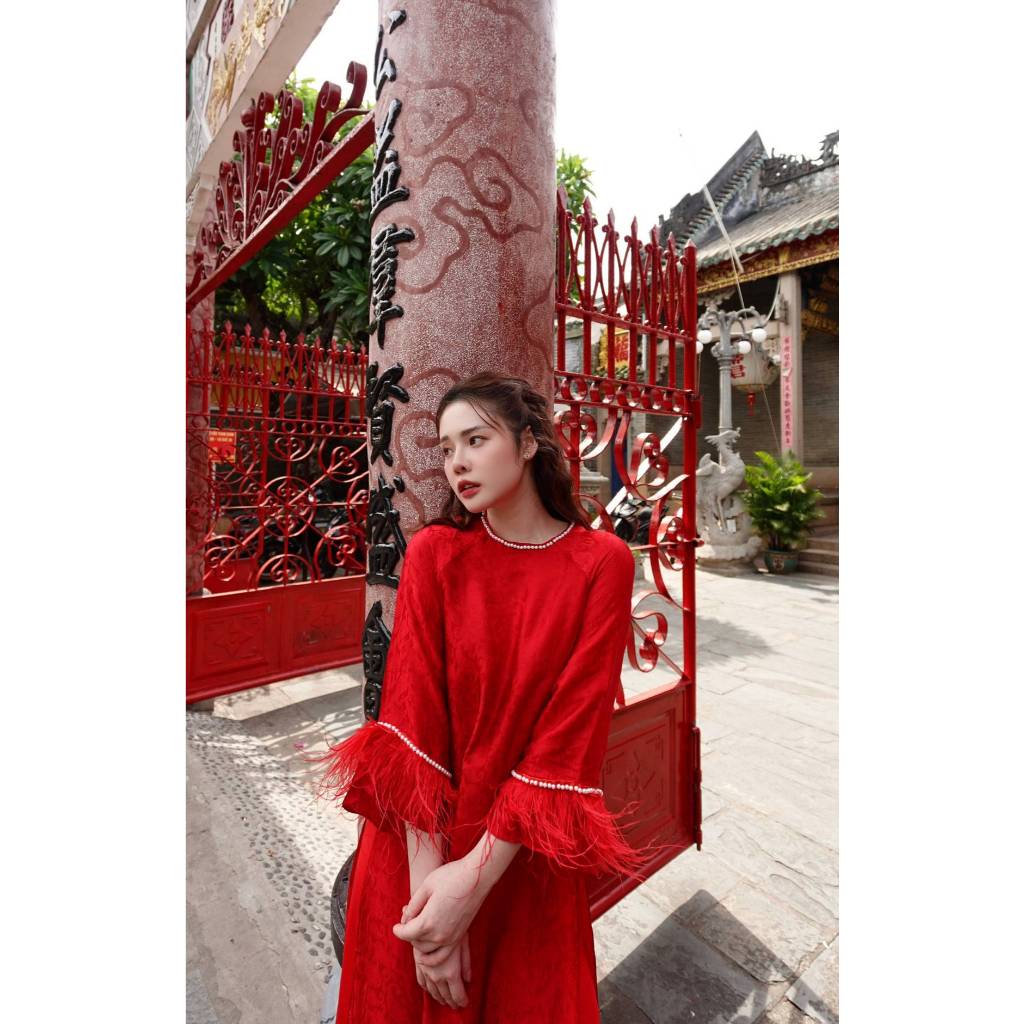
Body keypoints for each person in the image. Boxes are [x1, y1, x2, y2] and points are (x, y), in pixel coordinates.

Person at [313, 372, 655, 1022]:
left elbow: (566, 746)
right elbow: (411, 725)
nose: (458, 463)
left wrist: (470, 886)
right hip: (420, 854)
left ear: (527, 443)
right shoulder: (437, 554)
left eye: (476, 439)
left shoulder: (602, 564)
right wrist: (431, 916)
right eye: (446, 449)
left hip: (518, 861)